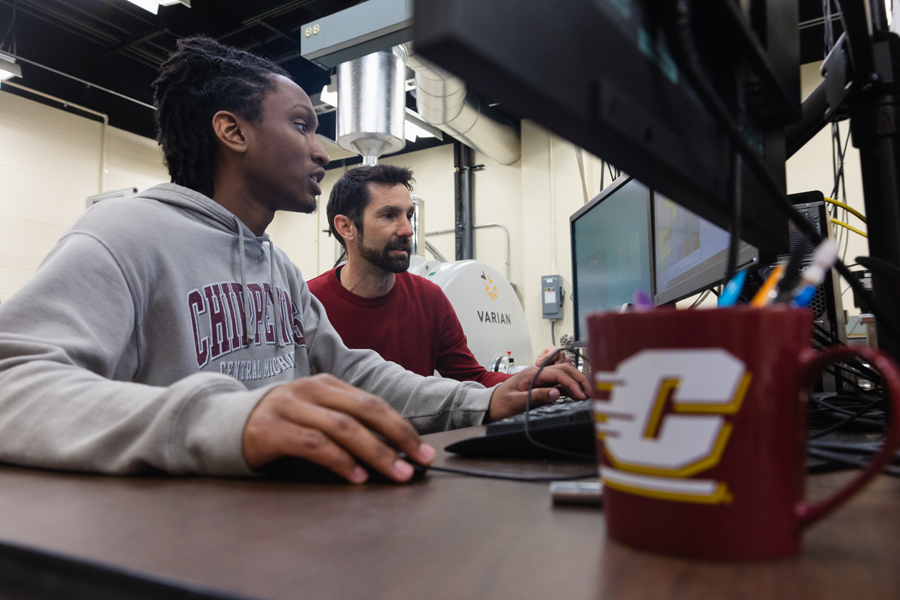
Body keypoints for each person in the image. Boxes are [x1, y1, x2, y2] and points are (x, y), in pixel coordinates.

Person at [0, 36, 590, 484]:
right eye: (302, 125)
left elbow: (351, 372)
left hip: (273, 529)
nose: (320, 148)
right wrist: (229, 420)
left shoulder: (275, 266)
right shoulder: (123, 234)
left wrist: (485, 398)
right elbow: (14, 386)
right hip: (174, 543)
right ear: (232, 132)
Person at [309, 165, 566, 386]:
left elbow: (473, 379)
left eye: (409, 215)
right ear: (346, 227)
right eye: (389, 215)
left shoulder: (429, 298)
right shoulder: (308, 303)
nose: (407, 230)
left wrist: (537, 378)